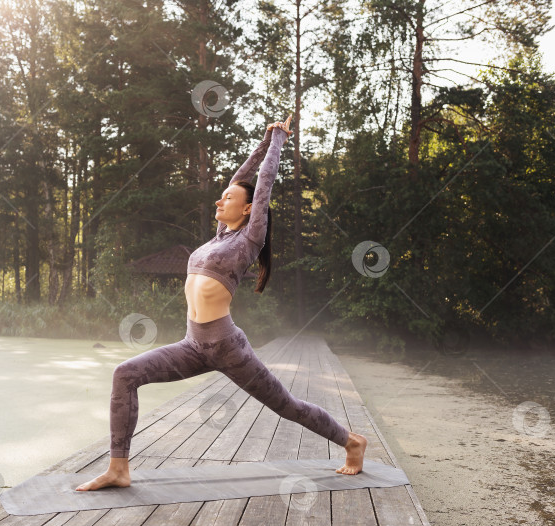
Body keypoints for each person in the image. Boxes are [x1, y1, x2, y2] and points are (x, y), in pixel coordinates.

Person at [75, 114, 367, 491]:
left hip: (227, 347)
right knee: (125, 374)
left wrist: (278, 138)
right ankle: (118, 468)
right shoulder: (217, 238)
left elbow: (261, 185)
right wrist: (261, 142)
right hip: (192, 345)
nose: (221, 198)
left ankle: (352, 441)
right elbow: (241, 179)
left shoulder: (249, 239)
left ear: (248, 210)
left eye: (229, 198)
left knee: (287, 407)